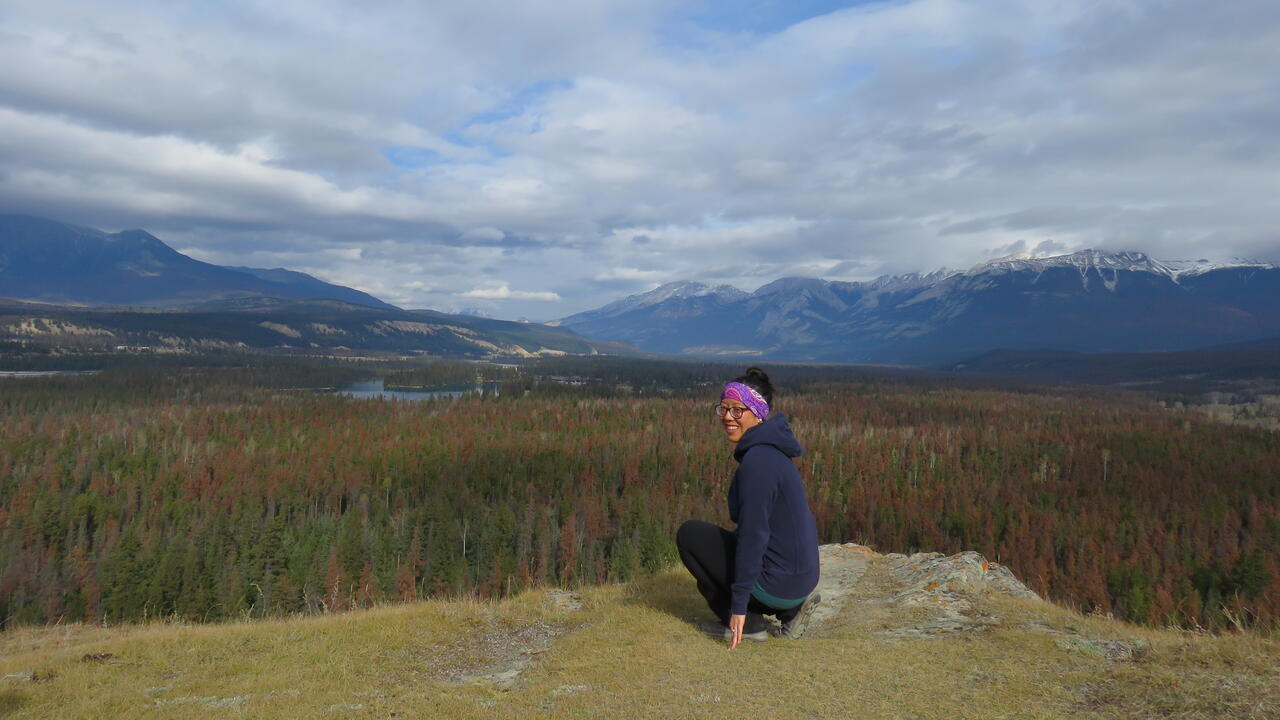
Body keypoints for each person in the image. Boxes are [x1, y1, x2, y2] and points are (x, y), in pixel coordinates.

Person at [676, 367, 821, 650]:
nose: (727, 417)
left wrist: (739, 604)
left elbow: (754, 535)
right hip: (800, 582)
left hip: (778, 583)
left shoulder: (758, 461)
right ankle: (790, 611)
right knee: (717, 559)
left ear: (757, 412)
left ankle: (750, 625)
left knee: (690, 535)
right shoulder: (775, 452)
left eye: (737, 410)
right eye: (723, 409)